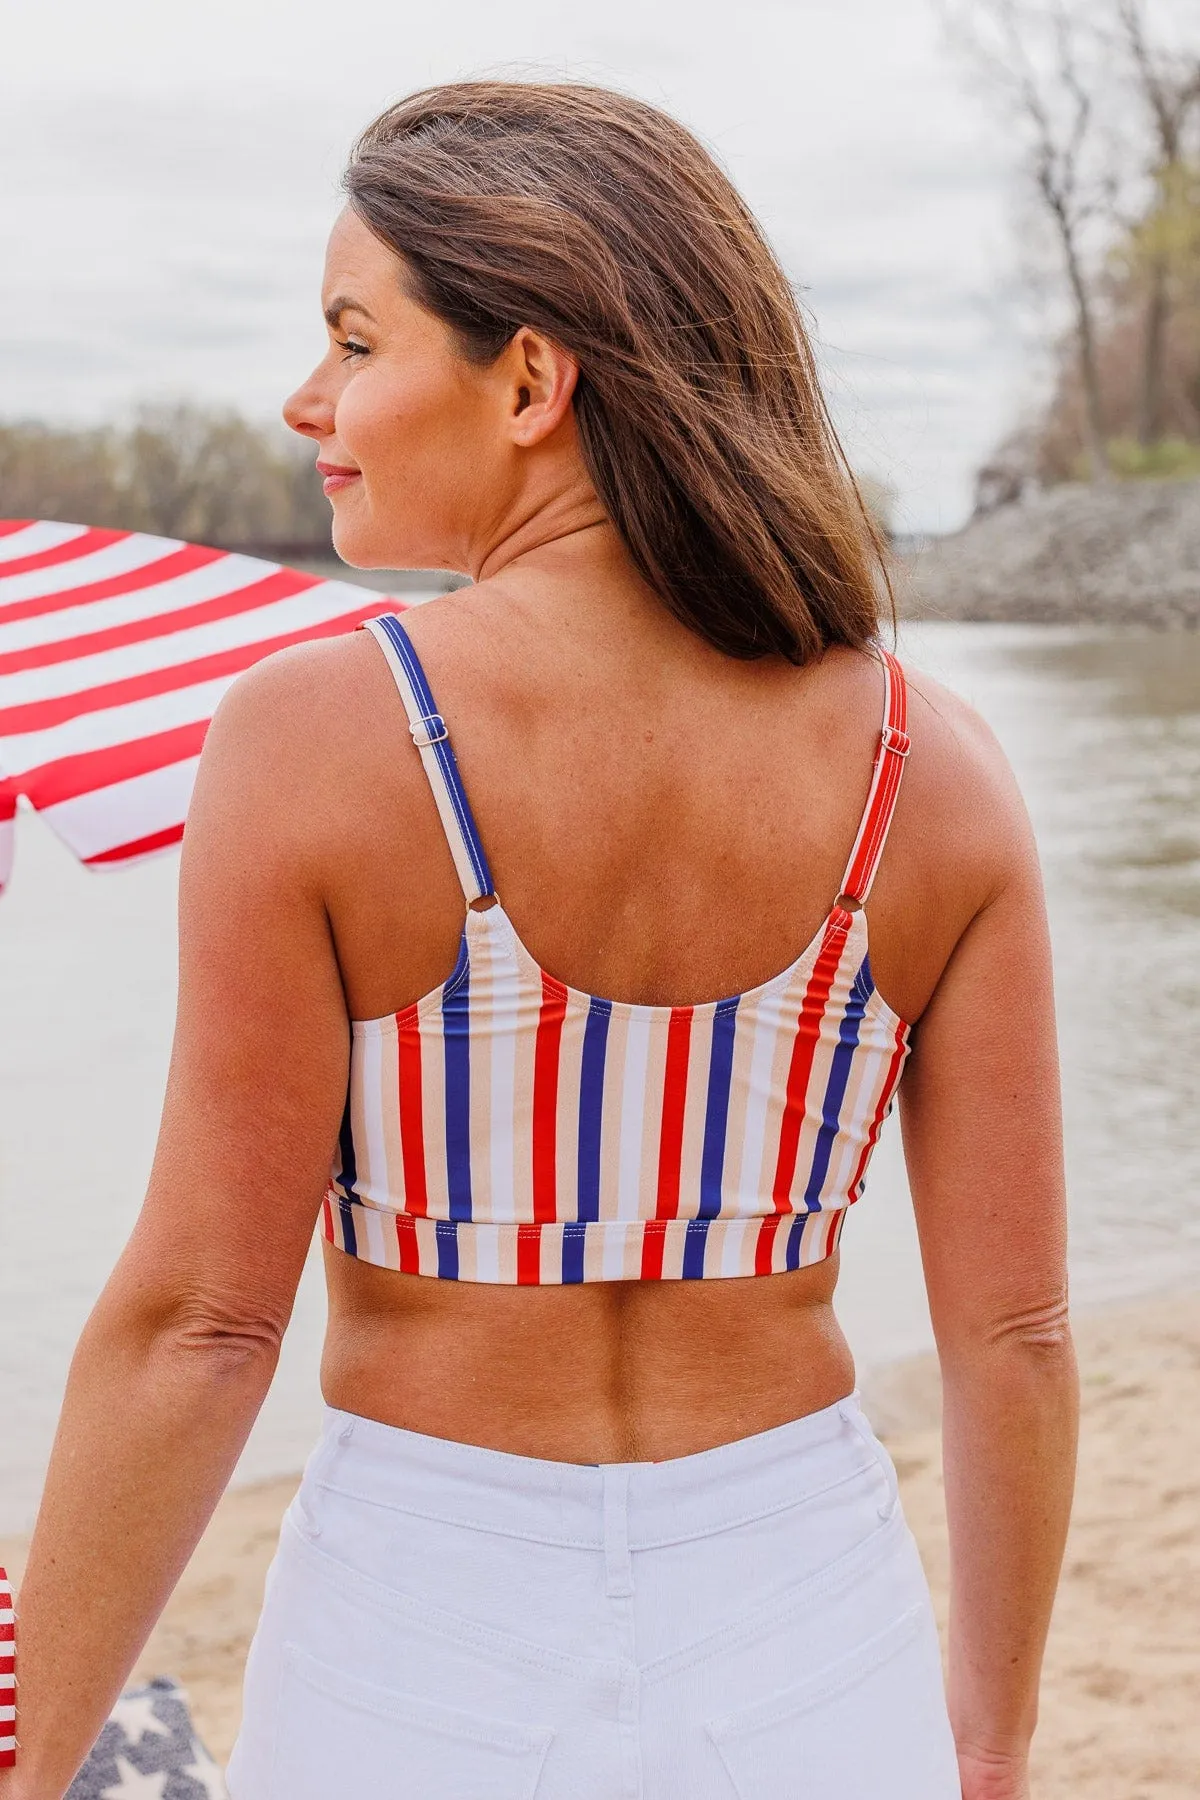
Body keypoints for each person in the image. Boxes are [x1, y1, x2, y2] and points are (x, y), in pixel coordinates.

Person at [4, 81, 1077, 1800]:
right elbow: (1013, 1339)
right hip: (811, 1616)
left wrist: (31, 1761)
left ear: (528, 381)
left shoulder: (321, 741)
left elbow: (202, 1326)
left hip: (420, 1631)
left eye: (354, 340)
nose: (308, 401)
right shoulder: (933, 774)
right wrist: (996, 1742)